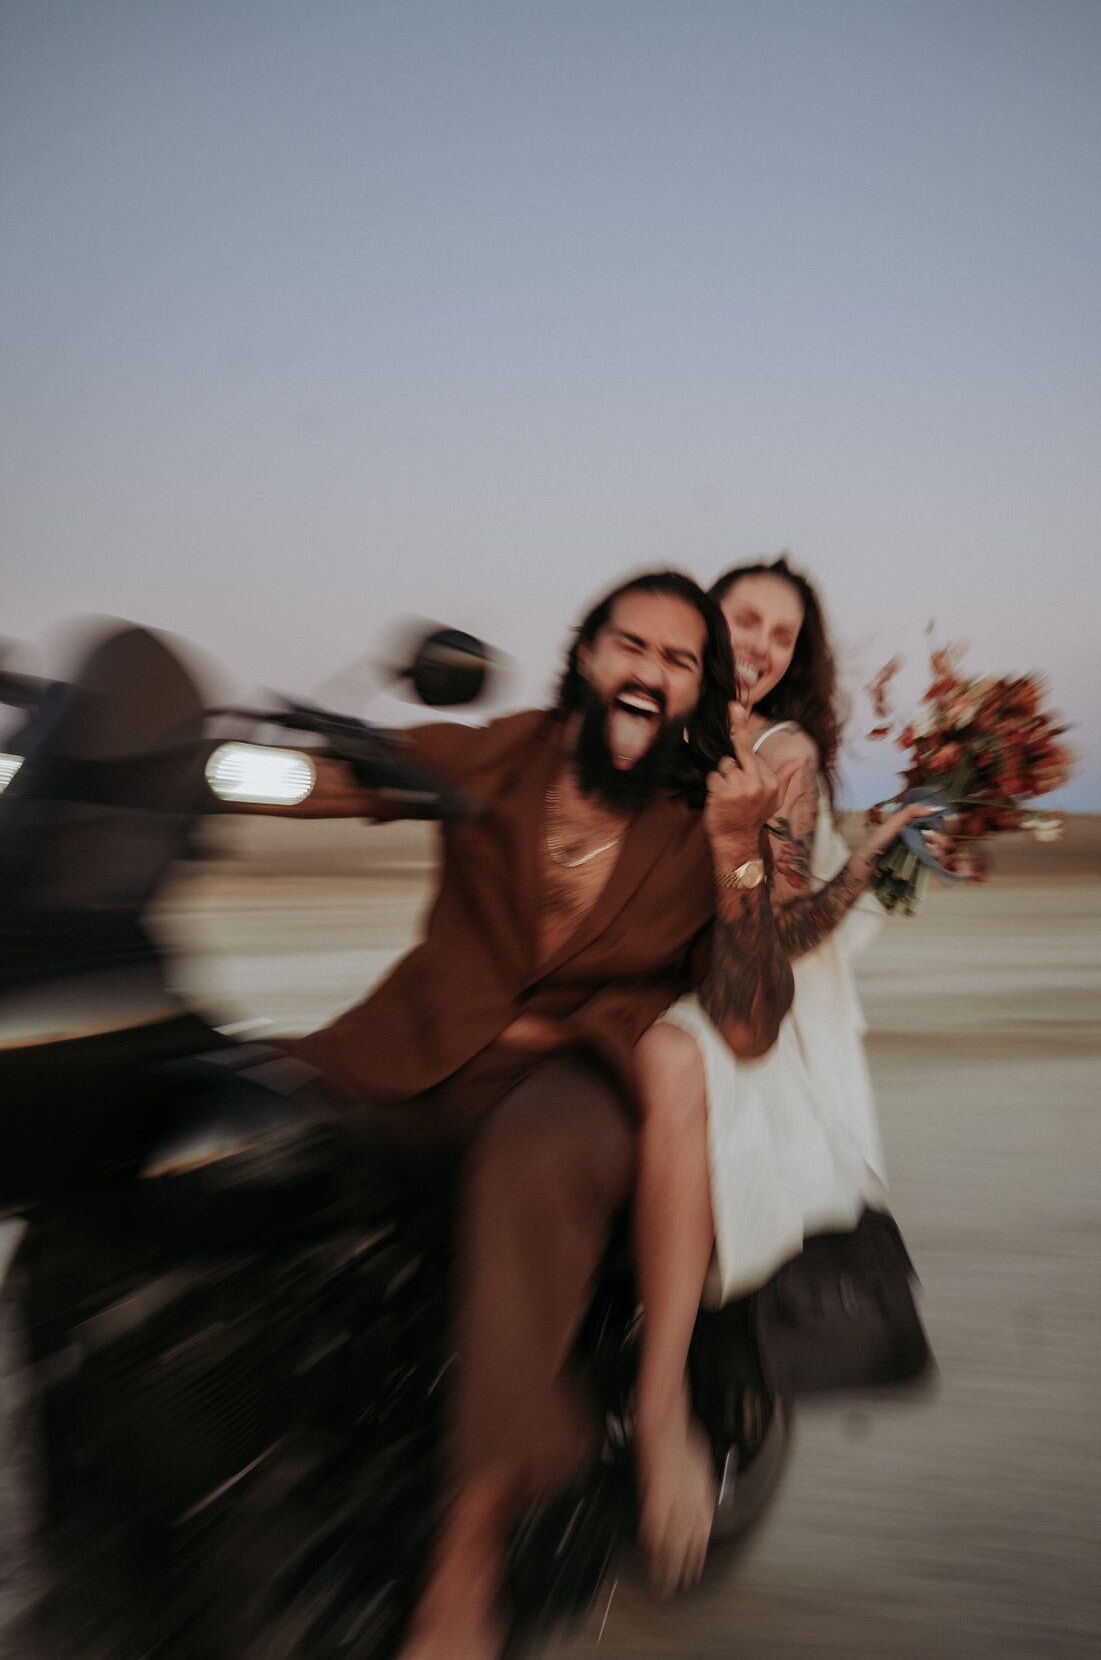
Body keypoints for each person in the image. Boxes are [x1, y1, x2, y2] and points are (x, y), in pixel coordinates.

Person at [280, 570, 795, 1660]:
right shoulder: (510, 748)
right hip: (419, 1051)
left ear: (697, 694)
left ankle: (464, 1563)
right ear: (587, 655)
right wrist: (200, 767)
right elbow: (355, 780)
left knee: (527, 1165)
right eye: (630, 645)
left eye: (678, 659)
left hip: (581, 1088)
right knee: (231, 1116)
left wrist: (743, 849)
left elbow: (746, 1023)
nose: (649, 671)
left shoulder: (708, 812)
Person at [629, 558, 947, 1596]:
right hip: (605, 976)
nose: (761, 646)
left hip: (719, 995)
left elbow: (783, 927)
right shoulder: (636, 713)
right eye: (745, 621)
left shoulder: (782, 752)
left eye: (783, 637)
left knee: (674, 1061)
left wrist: (853, 864)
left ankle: (662, 1393)